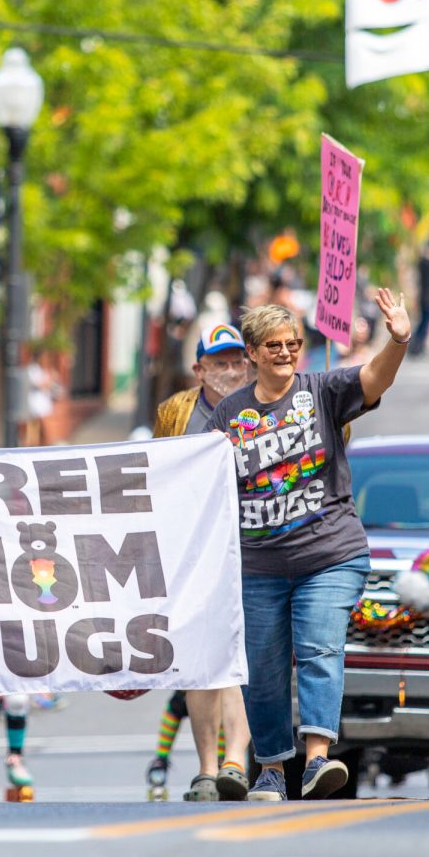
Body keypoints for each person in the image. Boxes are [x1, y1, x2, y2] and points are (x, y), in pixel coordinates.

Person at [210, 293, 412, 802]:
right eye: (274, 345)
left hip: (330, 554)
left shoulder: (322, 390)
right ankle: (273, 770)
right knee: (264, 668)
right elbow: (197, 482)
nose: (286, 352)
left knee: (320, 647)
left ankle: (319, 757)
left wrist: (399, 338)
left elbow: (376, 378)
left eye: (294, 344)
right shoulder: (229, 416)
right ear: (252, 352)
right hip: (258, 565)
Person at [152, 322, 254, 802]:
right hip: (195, 554)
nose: (231, 371)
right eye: (220, 363)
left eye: (237, 361)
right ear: (199, 370)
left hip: (254, 548)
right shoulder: (176, 412)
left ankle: (236, 760)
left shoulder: (268, 405)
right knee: (200, 661)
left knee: (239, 660)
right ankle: (208, 770)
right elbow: (155, 476)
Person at [409, 236, 429, 356]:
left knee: (422, 322)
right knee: (424, 323)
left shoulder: (422, 262)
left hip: (422, 296)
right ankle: (417, 346)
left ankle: (416, 346)